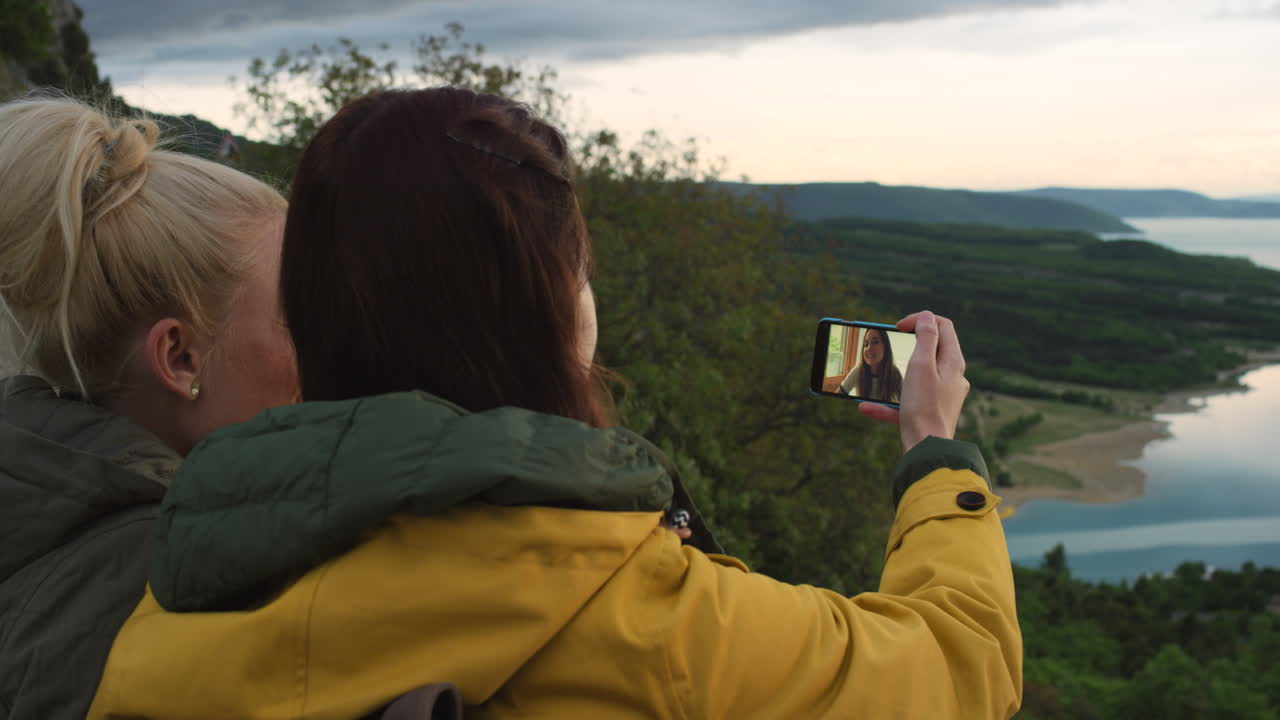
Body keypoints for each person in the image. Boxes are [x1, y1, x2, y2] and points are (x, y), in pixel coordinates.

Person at [89, 88, 1021, 719]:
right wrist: (934, 448)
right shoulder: (649, 624)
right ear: (555, 314)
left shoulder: (157, 618)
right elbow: (960, 666)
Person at [0, 95, 297, 720]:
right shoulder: (166, 585)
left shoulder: (42, 510)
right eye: (295, 317)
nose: (331, 341)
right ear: (180, 357)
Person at [840, 327, 904, 403]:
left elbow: (906, 403)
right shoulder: (858, 370)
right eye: (866, 344)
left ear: (886, 347)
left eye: (875, 342)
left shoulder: (895, 373)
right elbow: (838, 395)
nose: (869, 348)